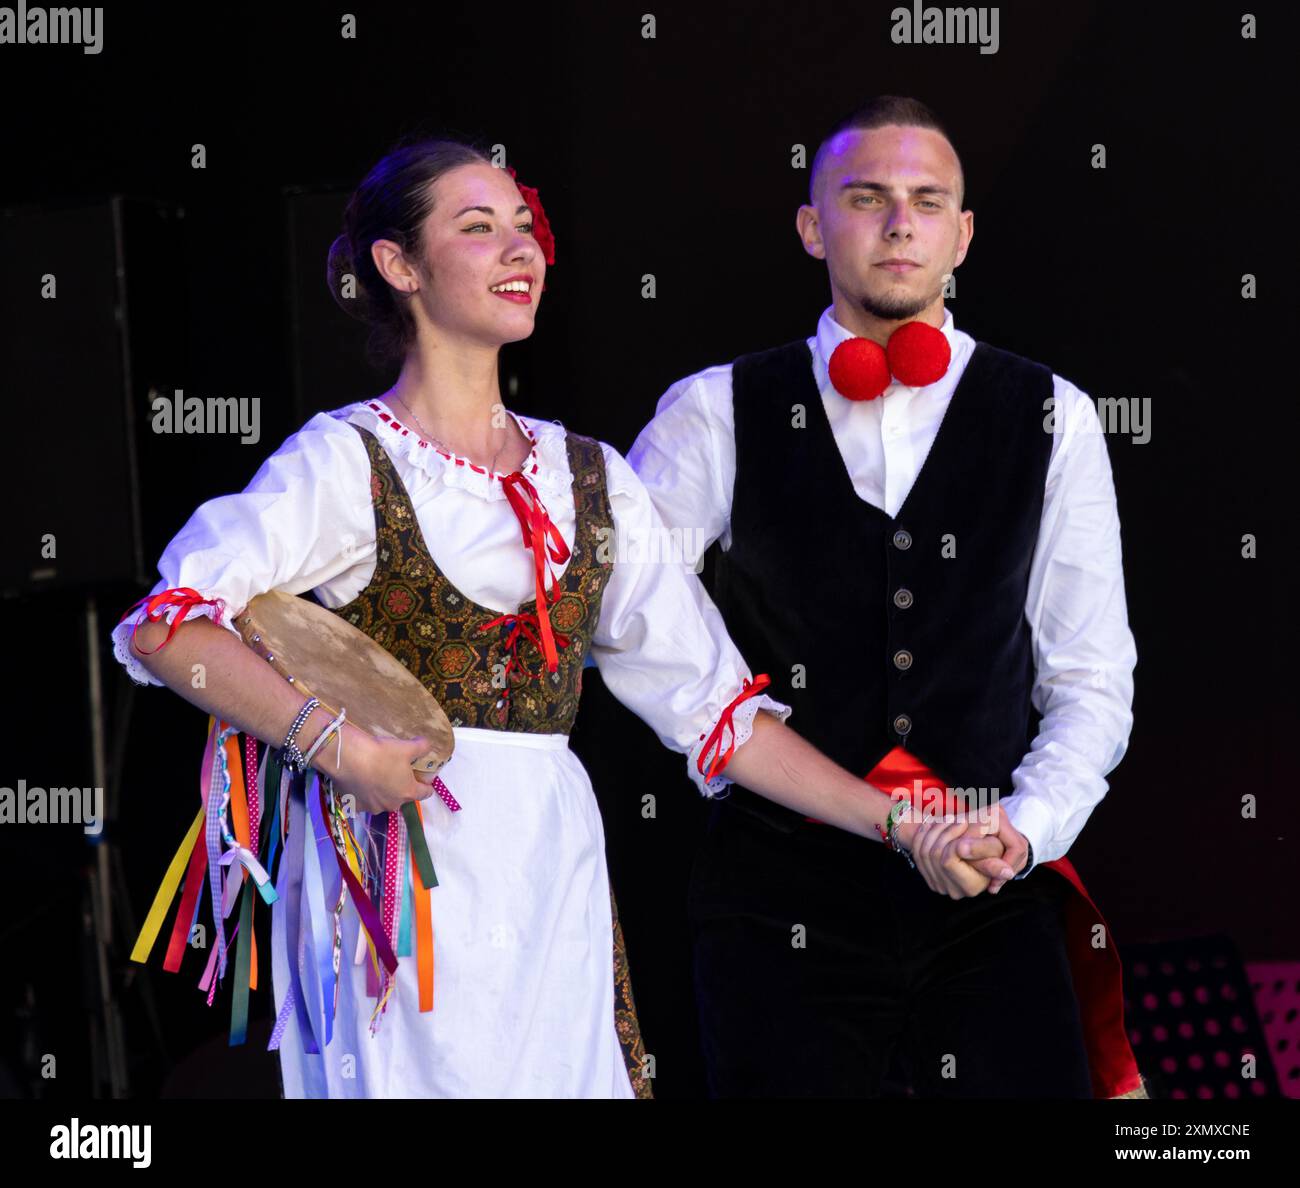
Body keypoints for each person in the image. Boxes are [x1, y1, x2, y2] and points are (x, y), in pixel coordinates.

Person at [111, 134, 1016, 1100]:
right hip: (397, 882)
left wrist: (906, 825)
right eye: (477, 229)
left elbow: (720, 718)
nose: (519, 250)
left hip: (549, 864)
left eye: (523, 228)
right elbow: (167, 629)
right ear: (398, 264)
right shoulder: (347, 462)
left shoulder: (592, 476)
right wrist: (341, 749)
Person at [628, 96, 1147, 1098]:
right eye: (866, 198)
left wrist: (1023, 828)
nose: (899, 222)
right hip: (776, 900)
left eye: (926, 200)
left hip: (990, 898)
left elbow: (1090, 676)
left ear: (961, 234)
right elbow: (629, 624)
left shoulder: (1054, 415)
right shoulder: (713, 412)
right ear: (813, 226)